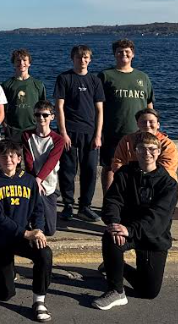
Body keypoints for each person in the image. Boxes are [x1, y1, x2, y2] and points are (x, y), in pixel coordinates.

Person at [93, 132, 178, 310]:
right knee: (111, 236)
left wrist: (130, 230)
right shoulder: (125, 173)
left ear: (159, 151)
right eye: (141, 149)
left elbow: (158, 219)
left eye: (152, 149)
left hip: (153, 236)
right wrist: (115, 223)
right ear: (134, 151)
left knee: (148, 292)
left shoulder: (168, 184)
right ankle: (116, 291)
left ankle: (115, 266)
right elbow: (112, 201)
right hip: (126, 230)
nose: (147, 153)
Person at [0, 140, 53, 322]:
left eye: (12, 155)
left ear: (18, 159)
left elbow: (39, 209)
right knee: (4, 294)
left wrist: (37, 230)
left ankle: (39, 301)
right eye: (3, 156)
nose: (8, 159)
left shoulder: (29, 180)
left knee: (44, 253)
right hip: (0, 239)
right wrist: (26, 233)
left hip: (24, 236)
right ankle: (7, 272)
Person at [54, 45, 105, 222]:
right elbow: (59, 107)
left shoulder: (95, 81)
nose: (82, 60)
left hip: (90, 133)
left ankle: (85, 206)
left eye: (85, 57)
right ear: (72, 58)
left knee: (89, 171)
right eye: (78, 57)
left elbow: (100, 110)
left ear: (90, 59)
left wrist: (98, 135)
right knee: (68, 170)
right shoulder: (64, 78)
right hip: (69, 132)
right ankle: (68, 204)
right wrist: (63, 133)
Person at [99, 38, 155, 192]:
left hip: (139, 133)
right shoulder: (105, 76)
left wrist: (153, 128)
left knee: (138, 166)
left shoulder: (143, 77)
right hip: (112, 131)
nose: (123, 54)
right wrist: (99, 131)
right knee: (110, 167)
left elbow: (149, 105)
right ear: (114, 54)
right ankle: (109, 202)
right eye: (120, 52)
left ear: (133, 54)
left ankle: (132, 201)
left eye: (127, 51)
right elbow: (97, 106)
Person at [23, 101, 64, 236]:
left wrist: (40, 179)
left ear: (52, 117)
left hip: (48, 183)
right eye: (38, 115)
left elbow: (51, 162)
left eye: (45, 115)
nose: (41, 118)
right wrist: (35, 180)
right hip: (32, 182)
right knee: (34, 225)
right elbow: (28, 160)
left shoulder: (58, 139)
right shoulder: (27, 135)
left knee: (50, 230)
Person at [111, 108, 178, 181]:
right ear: (137, 124)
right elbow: (117, 162)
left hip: (160, 182)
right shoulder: (127, 140)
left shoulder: (167, 144)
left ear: (158, 125)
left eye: (151, 122)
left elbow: (168, 168)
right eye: (143, 122)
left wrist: (143, 178)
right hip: (131, 180)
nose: (147, 125)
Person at [1, 49, 47, 142]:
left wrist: (42, 126)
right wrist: (5, 126)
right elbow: (1, 108)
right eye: (18, 60)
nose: (21, 63)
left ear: (29, 63)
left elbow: (44, 108)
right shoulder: (6, 85)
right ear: (13, 63)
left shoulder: (38, 84)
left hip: (33, 128)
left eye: (24, 60)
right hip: (13, 130)